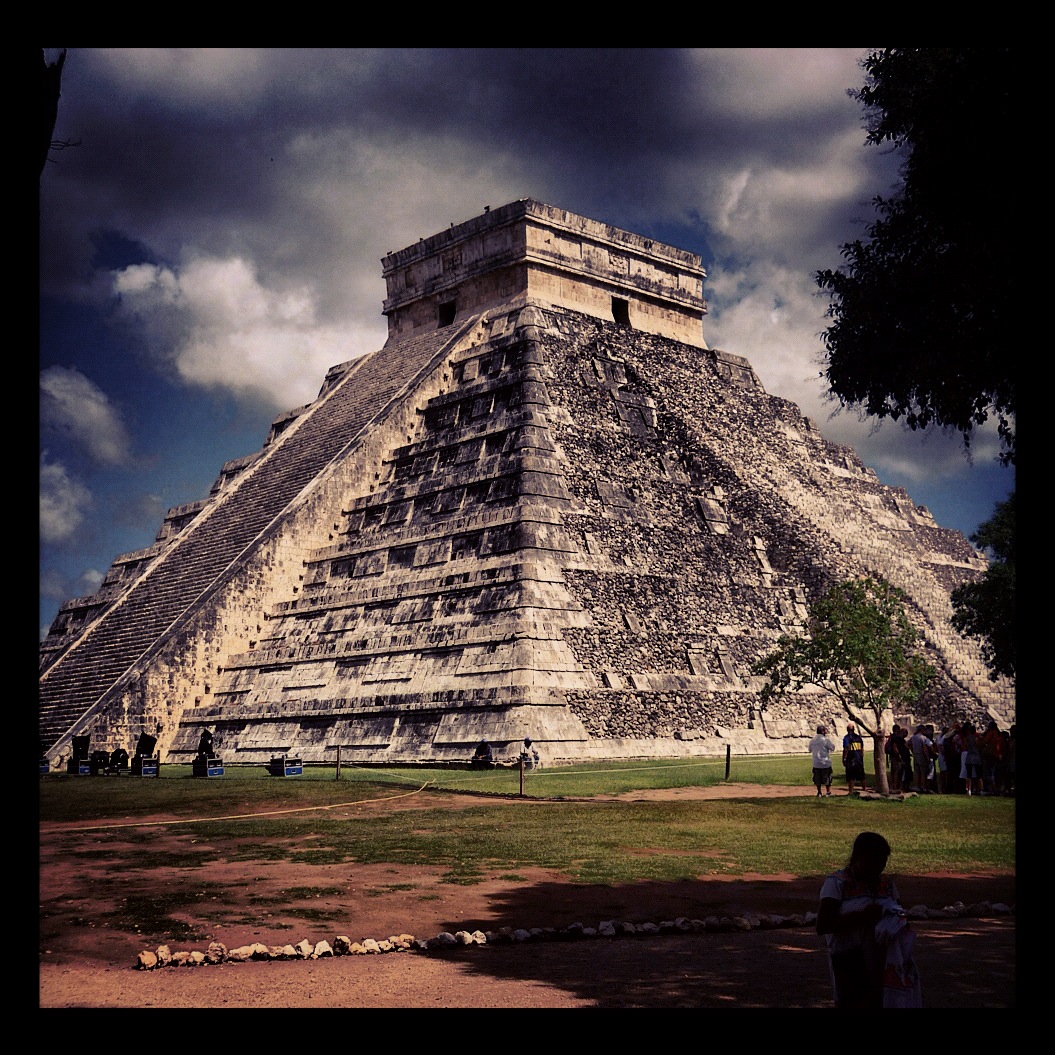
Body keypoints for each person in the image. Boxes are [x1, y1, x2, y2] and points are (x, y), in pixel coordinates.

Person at [817, 832, 918, 1008]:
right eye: (872, 862)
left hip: (884, 961)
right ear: (857, 857)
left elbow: (899, 911)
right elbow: (823, 924)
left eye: (882, 862)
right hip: (849, 960)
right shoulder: (837, 882)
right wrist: (862, 917)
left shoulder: (886, 883)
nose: (877, 869)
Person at [808, 724, 836, 796]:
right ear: (823, 731)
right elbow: (832, 748)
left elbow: (809, 750)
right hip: (825, 762)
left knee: (817, 778)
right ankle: (828, 792)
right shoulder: (825, 740)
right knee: (827, 778)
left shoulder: (812, 740)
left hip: (816, 762)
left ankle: (819, 792)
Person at [907, 725, 933, 793]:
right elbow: (925, 748)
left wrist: (912, 749)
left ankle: (917, 786)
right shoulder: (923, 738)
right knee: (923, 772)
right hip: (922, 755)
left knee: (917, 772)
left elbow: (907, 744)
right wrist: (927, 757)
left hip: (916, 755)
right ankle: (923, 786)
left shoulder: (913, 737)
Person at [842, 723, 866, 793]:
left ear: (847, 730)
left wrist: (844, 758)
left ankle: (851, 791)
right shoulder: (858, 737)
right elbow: (862, 748)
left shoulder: (846, 738)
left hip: (851, 758)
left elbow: (846, 749)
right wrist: (861, 756)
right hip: (859, 758)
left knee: (851, 775)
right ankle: (864, 789)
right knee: (861, 775)